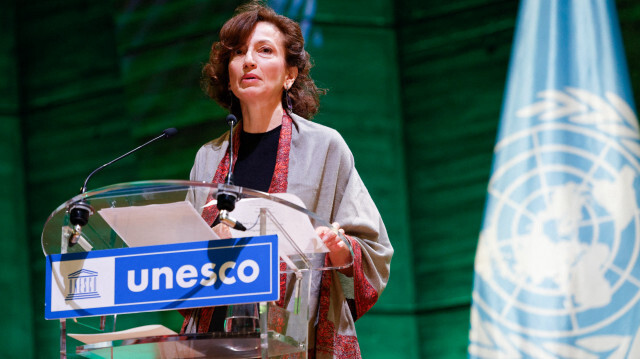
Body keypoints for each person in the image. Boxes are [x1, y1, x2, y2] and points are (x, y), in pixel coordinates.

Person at [181, 2, 393, 358]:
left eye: (264, 50)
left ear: (290, 74)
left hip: (297, 338)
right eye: (238, 52)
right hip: (215, 340)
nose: (248, 60)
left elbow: (374, 248)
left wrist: (339, 248)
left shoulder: (325, 147)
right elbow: (180, 262)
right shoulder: (208, 157)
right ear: (229, 74)